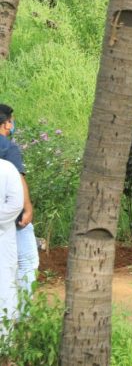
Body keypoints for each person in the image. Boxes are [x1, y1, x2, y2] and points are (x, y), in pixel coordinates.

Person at [0, 104, 39, 298]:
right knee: (27, 260)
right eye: (11, 121)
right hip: (11, 214)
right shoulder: (8, 148)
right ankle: (24, 314)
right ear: (6, 124)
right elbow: (18, 178)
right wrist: (27, 207)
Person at [0, 157, 24, 338]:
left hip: (3, 240)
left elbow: (16, 205)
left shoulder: (7, 169)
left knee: (4, 286)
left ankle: (5, 344)